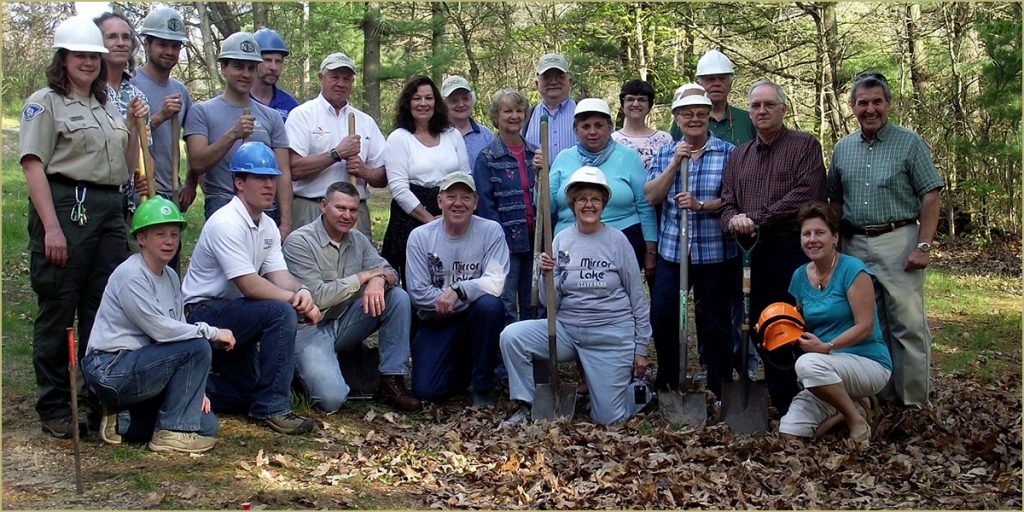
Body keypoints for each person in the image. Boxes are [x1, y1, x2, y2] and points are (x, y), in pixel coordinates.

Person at [19, 15, 147, 439]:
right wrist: (51, 228)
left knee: (103, 308)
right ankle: (55, 405)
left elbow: (125, 170)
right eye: (79, 55)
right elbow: (34, 166)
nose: (88, 62)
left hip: (110, 210)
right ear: (64, 58)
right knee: (59, 307)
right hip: (65, 205)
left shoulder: (107, 104)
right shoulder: (45, 102)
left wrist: (131, 126)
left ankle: (97, 400)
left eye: (93, 55)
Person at [181, 142, 319, 435]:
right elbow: (250, 285)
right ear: (239, 183)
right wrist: (294, 301)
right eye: (260, 178)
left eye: (272, 177)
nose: (269, 185)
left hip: (236, 315)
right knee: (280, 313)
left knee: (251, 392)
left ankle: (180, 386)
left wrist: (303, 291)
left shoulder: (267, 225)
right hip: (203, 314)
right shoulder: (226, 223)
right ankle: (274, 409)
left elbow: (279, 276)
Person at [827, 71, 943, 409]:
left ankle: (912, 402)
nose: (870, 109)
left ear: (888, 103)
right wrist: (835, 245)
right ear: (852, 108)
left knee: (906, 324)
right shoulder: (843, 148)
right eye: (862, 103)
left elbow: (931, 194)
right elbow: (834, 199)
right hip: (854, 243)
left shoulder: (909, 142)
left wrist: (923, 245)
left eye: (877, 101)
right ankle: (879, 397)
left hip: (898, 239)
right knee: (867, 323)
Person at [501, 166, 652, 426]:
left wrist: (641, 349)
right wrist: (545, 275)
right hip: (568, 332)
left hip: (610, 336)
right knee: (512, 337)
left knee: (608, 419)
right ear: (572, 203)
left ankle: (639, 391)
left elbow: (638, 299)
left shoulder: (618, 241)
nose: (588, 205)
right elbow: (552, 304)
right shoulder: (561, 240)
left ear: (604, 203)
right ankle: (525, 403)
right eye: (582, 198)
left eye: (595, 199)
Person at [83, 197, 234, 453]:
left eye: (174, 235)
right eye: (160, 234)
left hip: (146, 364)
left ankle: (121, 422)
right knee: (198, 346)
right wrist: (212, 332)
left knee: (206, 426)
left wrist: (194, 388)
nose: (169, 241)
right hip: (111, 367)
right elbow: (160, 330)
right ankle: (171, 434)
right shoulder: (131, 275)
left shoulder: (171, 276)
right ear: (141, 239)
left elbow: (178, 325)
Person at [719, 80, 827, 413]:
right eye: (755, 106)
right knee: (756, 322)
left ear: (783, 109)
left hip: (788, 251)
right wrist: (733, 219)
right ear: (749, 112)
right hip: (749, 252)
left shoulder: (804, 146)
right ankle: (779, 396)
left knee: (790, 322)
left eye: (769, 105)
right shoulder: (740, 155)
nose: (762, 111)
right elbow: (726, 202)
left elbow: (807, 193)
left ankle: (804, 395)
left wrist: (757, 217)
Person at [283, 181, 422, 413]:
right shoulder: (300, 242)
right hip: (308, 328)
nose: (347, 215)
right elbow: (316, 297)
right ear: (324, 206)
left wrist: (379, 280)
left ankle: (392, 380)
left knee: (397, 297)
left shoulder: (357, 239)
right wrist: (363, 277)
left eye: (353, 210)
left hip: (344, 320)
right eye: (341, 208)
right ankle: (300, 376)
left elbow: (389, 271)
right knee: (331, 400)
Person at [644, 85, 737, 400]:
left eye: (701, 114)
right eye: (687, 114)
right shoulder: (665, 152)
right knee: (663, 314)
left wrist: (701, 205)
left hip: (714, 252)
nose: (694, 119)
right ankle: (669, 381)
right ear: (677, 119)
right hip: (674, 251)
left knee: (716, 323)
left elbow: (732, 200)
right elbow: (651, 196)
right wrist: (674, 163)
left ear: (709, 116)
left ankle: (719, 386)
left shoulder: (728, 153)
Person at [779, 202, 893, 447]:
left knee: (808, 365)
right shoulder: (799, 276)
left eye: (820, 233)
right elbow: (802, 324)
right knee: (789, 434)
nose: (812, 239)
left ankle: (856, 422)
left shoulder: (853, 270)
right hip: (825, 370)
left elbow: (865, 327)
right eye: (806, 234)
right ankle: (853, 407)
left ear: (835, 238)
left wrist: (826, 346)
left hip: (867, 363)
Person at [405, 172, 508, 406]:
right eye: (451, 196)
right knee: (427, 391)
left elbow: (496, 282)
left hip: (476, 318)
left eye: (466, 197)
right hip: (436, 319)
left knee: (490, 306)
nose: (458, 203)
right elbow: (419, 294)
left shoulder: (491, 231)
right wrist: (453, 299)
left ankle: (482, 386)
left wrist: (459, 289)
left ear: (475, 203)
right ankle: (463, 368)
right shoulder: (420, 237)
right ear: (440, 201)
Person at [183, 31, 294, 238]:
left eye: (251, 68)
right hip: (223, 201)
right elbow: (197, 164)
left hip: (265, 208)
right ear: (223, 67)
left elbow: (283, 171)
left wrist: (286, 222)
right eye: (238, 66)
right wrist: (233, 133)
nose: (245, 74)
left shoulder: (271, 117)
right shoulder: (202, 111)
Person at [548, 98, 657, 280]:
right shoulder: (563, 158)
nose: (592, 132)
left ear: (610, 128)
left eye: (599, 125)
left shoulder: (627, 156)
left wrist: (651, 250)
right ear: (576, 130)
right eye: (585, 126)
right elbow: (546, 206)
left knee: (615, 296)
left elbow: (645, 205)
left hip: (622, 238)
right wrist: (539, 178)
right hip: (569, 241)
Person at [286, 52, 387, 237]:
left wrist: (365, 171)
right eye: (334, 77)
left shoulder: (365, 121)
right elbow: (293, 170)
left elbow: (383, 176)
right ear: (321, 78)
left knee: (358, 266)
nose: (341, 83)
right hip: (312, 209)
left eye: (346, 79)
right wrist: (336, 154)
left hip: (354, 214)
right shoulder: (302, 115)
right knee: (309, 265)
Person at [382, 76, 471, 283]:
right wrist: (431, 221)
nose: (423, 103)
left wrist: (451, 217)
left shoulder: (452, 135)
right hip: (411, 217)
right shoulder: (399, 138)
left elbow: (466, 177)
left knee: (450, 277)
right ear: (407, 103)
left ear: (436, 102)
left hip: (451, 213)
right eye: (417, 98)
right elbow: (399, 189)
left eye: (429, 98)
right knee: (415, 280)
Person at [472, 88, 539, 325]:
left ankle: (533, 353)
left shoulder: (535, 154)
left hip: (535, 241)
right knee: (506, 301)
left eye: (519, 111)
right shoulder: (487, 157)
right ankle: (505, 359)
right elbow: (485, 205)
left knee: (533, 298)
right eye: (507, 111)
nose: (514, 116)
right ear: (496, 117)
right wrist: (499, 242)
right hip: (505, 244)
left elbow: (545, 196)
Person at [132, 7, 192, 217]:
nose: (169, 51)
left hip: (171, 190)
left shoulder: (181, 92)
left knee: (169, 250)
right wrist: (160, 116)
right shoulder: (130, 84)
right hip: (138, 191)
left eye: (175, 46)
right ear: (147, 45)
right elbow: (123, 136)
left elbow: (192, 142)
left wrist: (190, 184)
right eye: (162, 44)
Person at [93, 12, 147, 225]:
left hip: (129, 203)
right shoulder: (86, 91)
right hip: (93, 198)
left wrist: (146, 178)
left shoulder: (137, 96)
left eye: (126, 37)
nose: (120, 43)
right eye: (112, 36)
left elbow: (145, 149)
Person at [670, 49, 756, 146]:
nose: (717, 84)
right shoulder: (685, 121)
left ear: (730, 84)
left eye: (722, 79)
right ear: (699, 83)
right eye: (710, 79)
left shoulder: (747, 120)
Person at [524, 53, 577, 166]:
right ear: (537, 83)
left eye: (560, 76)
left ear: (570, 81)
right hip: (537, 183)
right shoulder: (525, 118)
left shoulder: (584, 113)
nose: (553, 82)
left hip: (578, 183)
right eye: (547, 77)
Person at [612, 79, 672, 170]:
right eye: (630, 99)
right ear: (622, 105)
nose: (636, 104)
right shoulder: (612, 140)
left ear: (650, 106)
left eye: (642, 100)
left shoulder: (665, 140)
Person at [442, 75, 494, 167]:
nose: (461, 104)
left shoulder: (486, 135)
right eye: (454, 100)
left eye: (465, 98)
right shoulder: (437, 134)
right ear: (444, 104)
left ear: (472, 100)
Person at [250, 28, 300, 122]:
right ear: (254, 61)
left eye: (278, 61)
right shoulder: (238, 100)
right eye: (267, 60)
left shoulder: (291, 106)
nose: (273, 67)